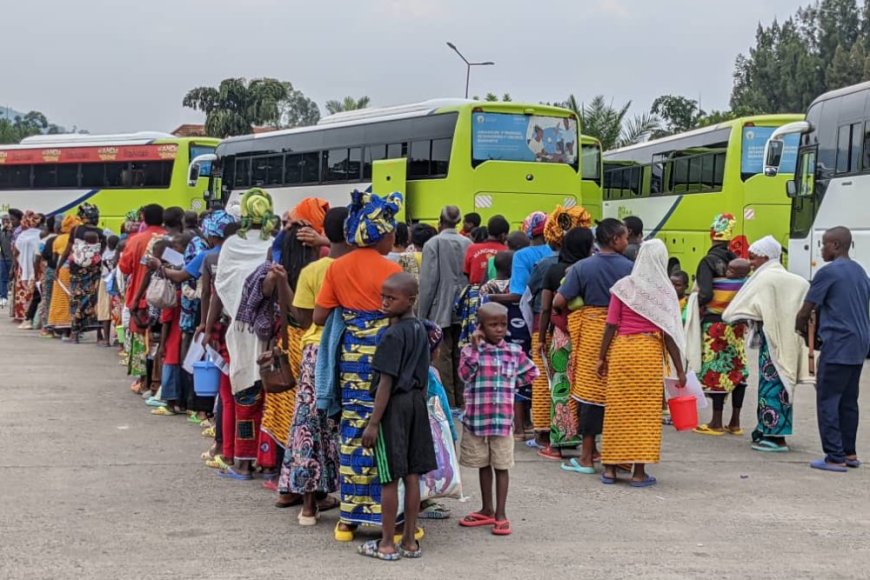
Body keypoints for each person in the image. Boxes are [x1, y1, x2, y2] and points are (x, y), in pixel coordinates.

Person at [313, 190, 405, 541]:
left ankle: (348, 520)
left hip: (351, 362)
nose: (393, 238)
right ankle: (391, 518)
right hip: (386, 361)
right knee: (387, 432)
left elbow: (319, 316)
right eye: (391, 232)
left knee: (352, 433)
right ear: (380, 235)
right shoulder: (393, 269)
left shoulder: (337, 267)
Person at [277, 207, 348, 525]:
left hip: (314, 351)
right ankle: (354, 504)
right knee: (348, 424)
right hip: (349, 350)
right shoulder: (360, 268)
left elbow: (303, 319)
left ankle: (308, 506)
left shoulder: (313, 271)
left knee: (309, 425)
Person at [597, 239, 687, 487]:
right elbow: (668, 334)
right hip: (648, 354)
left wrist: (601, 357)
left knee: (617, 410)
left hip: (623, 351)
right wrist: (680, 369)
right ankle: (638, 472)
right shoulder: (665, 291)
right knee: (644, 413)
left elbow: (611, 324)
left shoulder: (624, 287)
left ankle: (610, 469)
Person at [358, 272, 435, 560]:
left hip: (393, 407)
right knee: (412, 475)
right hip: (416, 403)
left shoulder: (392, 335)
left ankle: (387, 544)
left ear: (411, 300)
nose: (384, 302)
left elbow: (385, 382)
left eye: (392, 298)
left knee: (389, 477)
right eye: (383, 296)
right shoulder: (420, 329)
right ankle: (410, 542)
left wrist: (373, 423)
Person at [552, 218, 632, 473]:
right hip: (623, 335)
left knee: (590, 395)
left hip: (590, 336)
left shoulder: (582, 267)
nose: (627, 241)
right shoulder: (631, 268)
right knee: (618, 395)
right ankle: (619, 455)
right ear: (615, 239)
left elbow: (558, 301)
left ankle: (587, 456)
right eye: (625, 237)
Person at [723, 235, 811, 453]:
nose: (750, 262)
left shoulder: (765, 278)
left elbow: (734, 311)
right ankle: (766, 429)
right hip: (788, 342)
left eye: (753, 258)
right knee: (782, 386)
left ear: (765, 257)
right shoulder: (795, 280)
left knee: (770, 388)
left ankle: (775, 438)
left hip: (771, 343)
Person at [457, 302, 539, 537]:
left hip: (502, 422)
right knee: (483, 464)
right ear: (480, 327)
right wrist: (475, 348)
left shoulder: (514, 351)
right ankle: (487, 508)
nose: (500, 329)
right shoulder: (469, 351)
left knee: (502, 466)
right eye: (493, 325)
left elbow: (532, 372)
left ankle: (501, 514)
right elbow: (464, 375)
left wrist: (510, 384)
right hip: (477, 420)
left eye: (503, 324)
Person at [214, 188, 279, 480]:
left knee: (244, 394)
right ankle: (268, 461)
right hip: (271, 329)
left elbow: (222, 284)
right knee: (271, 395)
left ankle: (243, 461)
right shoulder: (274, 244)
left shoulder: (231, 245)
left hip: (241, 328)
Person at [796, 227, 870, 472]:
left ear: (836, 245)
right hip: (858, 345)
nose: (821, 249)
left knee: (827, 399)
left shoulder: (827, 273)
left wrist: (799, 331)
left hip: (837, 344)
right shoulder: (860, 271)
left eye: (824, 244)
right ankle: (849, 452)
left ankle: (834, 456)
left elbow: (806, 310)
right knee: (848, 401)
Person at [539, 227, 594, 457]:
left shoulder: (554, 270)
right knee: (587, 389)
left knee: (561, 386)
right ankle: (590, 446)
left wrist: (541, 337)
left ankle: (558, 445)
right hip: (589, 336)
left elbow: (545, 307)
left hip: (563, 336)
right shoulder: (591, 269)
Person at [694, 214, 748, 436]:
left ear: (711, 235)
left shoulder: (707, 262)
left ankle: (716, 422)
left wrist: (694, 303)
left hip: (715, 326)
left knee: (717, 370)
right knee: (737, 369)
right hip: (736, 325)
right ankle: (735, 422)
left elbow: (706, 293)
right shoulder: (737, 261)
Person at [418, 205, 472, 408]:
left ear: (440, 221)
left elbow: (428, 282)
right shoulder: (468, 243)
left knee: (442, 355)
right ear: (458, 222)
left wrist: (421, 315)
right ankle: (463, 400)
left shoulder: (433, 243)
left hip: (440, 306)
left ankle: (448, 402)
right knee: (462, 353)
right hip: (465, 306)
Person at [119, 204, 166, 394]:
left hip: (141, 297)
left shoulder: (136, 240)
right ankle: (158, 382)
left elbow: (124, 267)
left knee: (141, 339)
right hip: (165, 298)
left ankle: (143, 381)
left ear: (144, 219)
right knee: (161, 340)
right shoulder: (169, 238)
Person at [66, 204, 106, 342]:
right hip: (94, 271)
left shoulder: (76, 230)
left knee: (76, 301)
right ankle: (99, 335)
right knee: (94, 300)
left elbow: (68, 249)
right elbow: (102, 254)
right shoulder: (101, 233)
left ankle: (74, 334)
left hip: (77, 271)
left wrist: (59, 266)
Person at [12, 211, 42, 325]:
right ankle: (34, 316)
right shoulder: (41, 234)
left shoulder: (22, 235)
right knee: (36, 291)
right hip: (38, 267)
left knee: (22, 291)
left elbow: (16, 251)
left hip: (23, 266)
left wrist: (15, 265)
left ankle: (21, 315)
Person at [464, 215, 508, 285]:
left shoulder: (472, 248)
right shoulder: (507, 251)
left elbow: (466, 273)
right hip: (498, 289)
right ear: (503, 235)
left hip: (475, 289)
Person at [0, 214, 13, 308]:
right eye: (3, 220)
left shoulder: (14, 232)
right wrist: (2, 230)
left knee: (12, 278)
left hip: (13, 260)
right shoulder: (1, 232)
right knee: (3, 278)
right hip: (3, 259)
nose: (5, 222)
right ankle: (3, 297)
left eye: (7, 220)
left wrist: (10, 230)